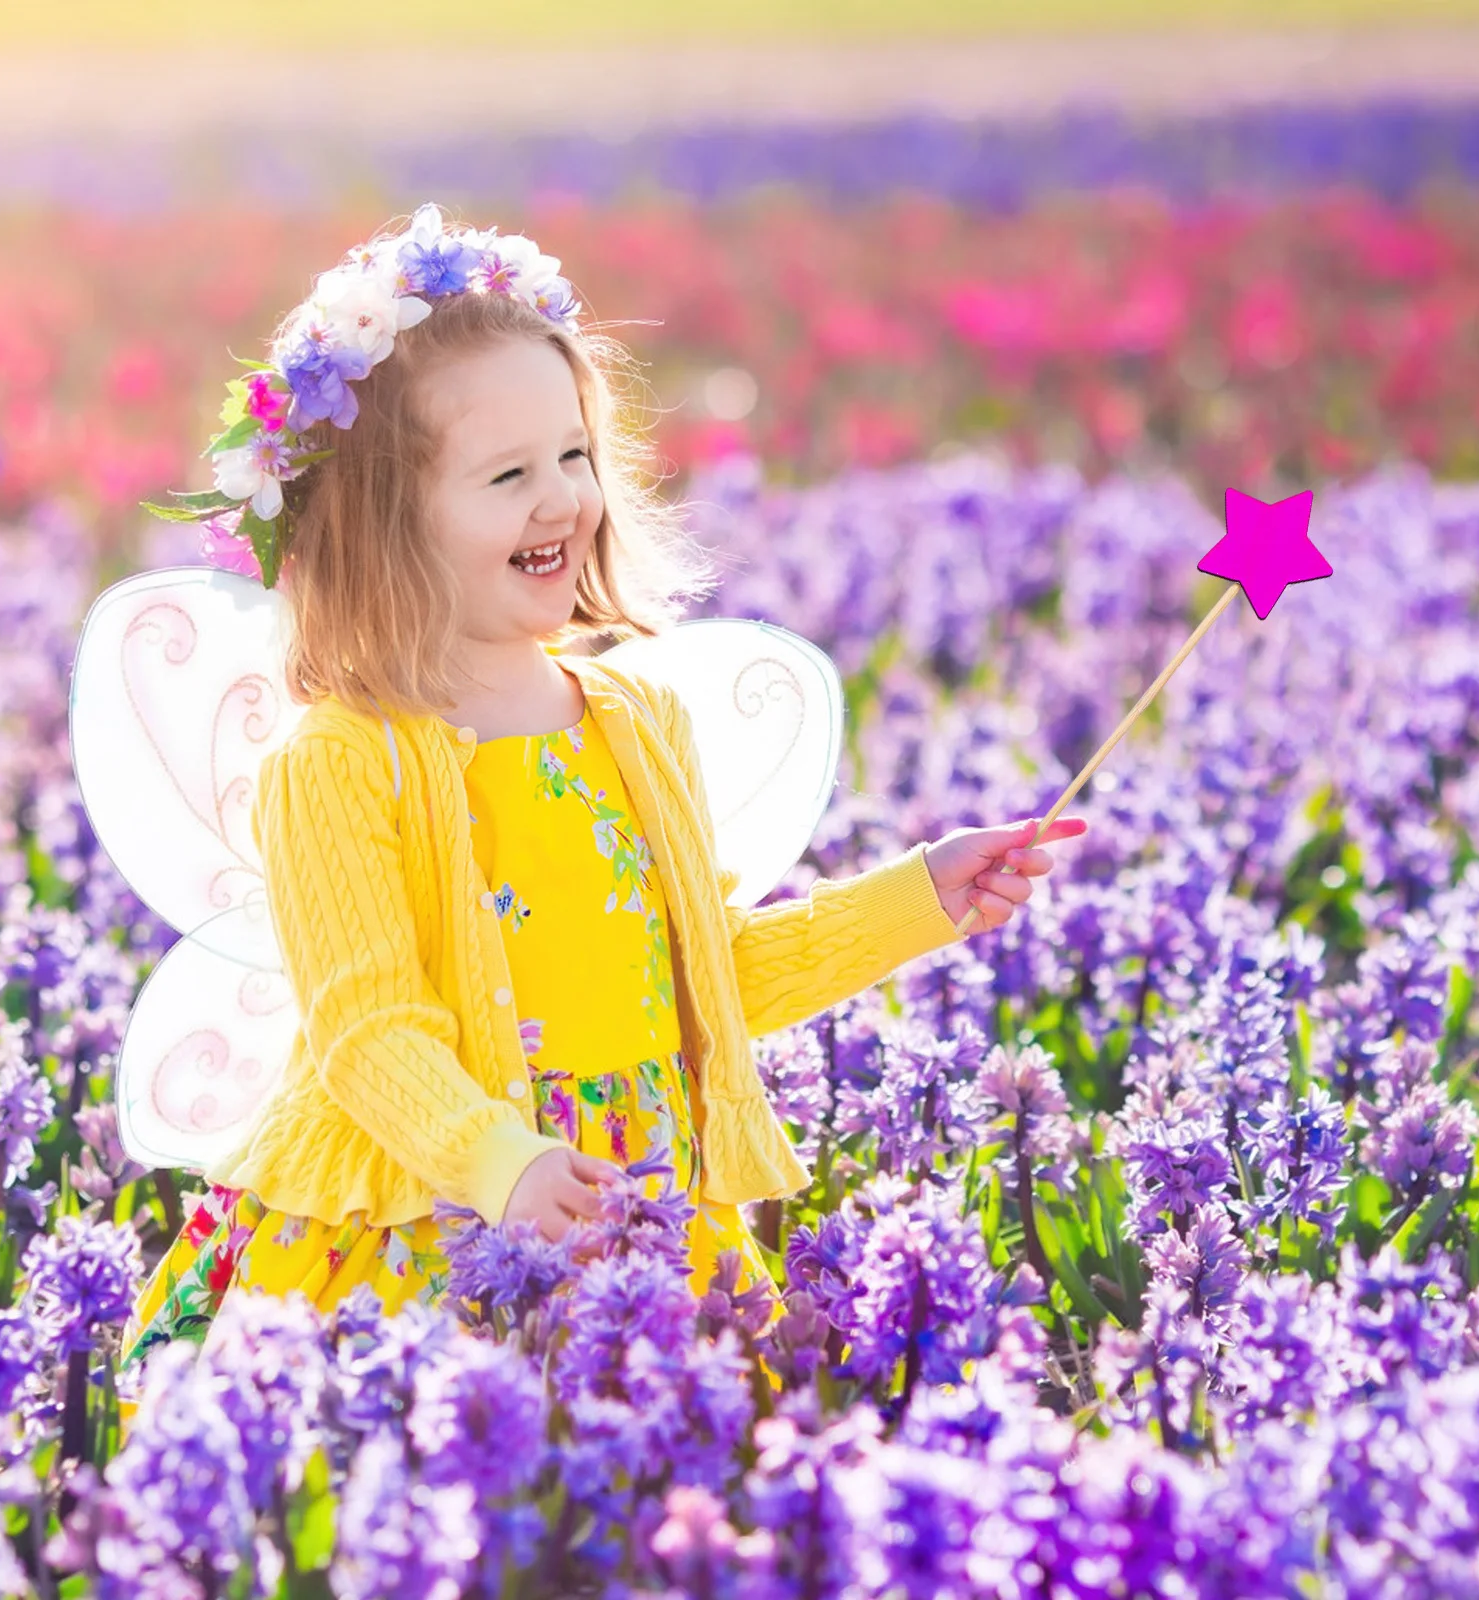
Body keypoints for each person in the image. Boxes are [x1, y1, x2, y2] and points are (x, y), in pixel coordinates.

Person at [115, 203, 1088, 1383]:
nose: (561, 499)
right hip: (439, 1217)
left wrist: (917, 899)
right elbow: (368, 1033)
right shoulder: (344, 757)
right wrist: (498, 1162)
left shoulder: (631, 723)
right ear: (381, 527)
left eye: (574, 455)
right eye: (507, 473)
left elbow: (702, 976)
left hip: (639, 1208)